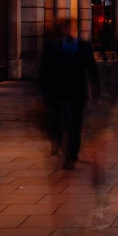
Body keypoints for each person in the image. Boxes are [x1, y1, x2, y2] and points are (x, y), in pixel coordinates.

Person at [39, 19, 100, 169]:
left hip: (77, 92)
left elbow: (91, 69)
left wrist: (95, 89)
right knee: (61, 122)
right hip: (57, 92)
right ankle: (63, 147)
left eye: (70, 27)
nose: (67, 30)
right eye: (65, 27)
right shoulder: (52, 47)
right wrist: (42, 93)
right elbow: (44, 71)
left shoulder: (84, 46)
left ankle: (71, 154)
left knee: (75, 124)